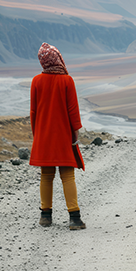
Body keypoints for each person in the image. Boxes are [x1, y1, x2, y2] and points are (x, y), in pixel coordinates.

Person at [29, 42, 86, 230]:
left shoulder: (36, 81)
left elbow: (34, 112)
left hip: (43, 136)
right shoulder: (67, 81)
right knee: (67, 176)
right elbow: (73, 111)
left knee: (46, 176)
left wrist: (37, 135)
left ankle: (45, 216)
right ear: (57, 59)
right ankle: (74, 218)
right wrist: (75, 133)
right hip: (63, 136)